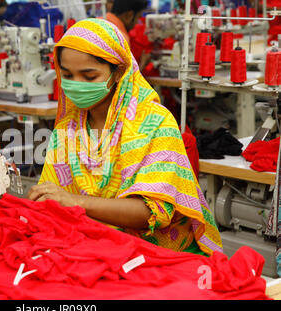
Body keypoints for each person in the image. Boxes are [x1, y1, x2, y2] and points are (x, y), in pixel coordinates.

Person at [27, 18, 222, 257]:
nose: (76, 85)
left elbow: (150, 214)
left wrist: (73, 201)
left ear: (119, 72)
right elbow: (55, 198)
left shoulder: (156, 123)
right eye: (67, 75)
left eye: (89, 77)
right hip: (98, 247)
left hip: (161, 255)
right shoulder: (67, 130)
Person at [105, 0, 152, 70]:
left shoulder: (98, 20)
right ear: (129, 15)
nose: (136, 24)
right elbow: (122, 79)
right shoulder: (121, 38)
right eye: (138, 18)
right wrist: (142, 64)